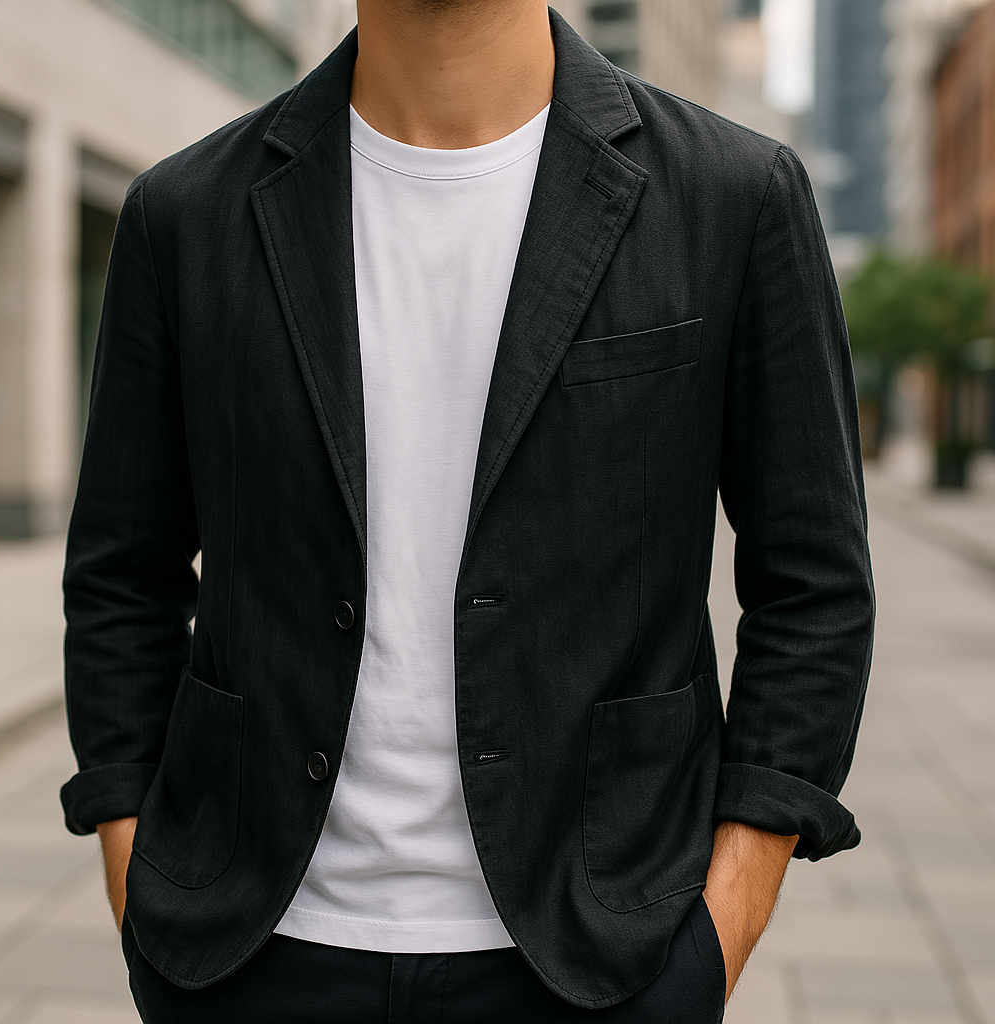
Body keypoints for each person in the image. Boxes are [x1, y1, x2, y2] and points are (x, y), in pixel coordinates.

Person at [60, 0, 875, 1020]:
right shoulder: (184, 213)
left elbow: (814, 582)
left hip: (603, 952)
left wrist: (723, 922)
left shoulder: (730, 197)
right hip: (250, 950)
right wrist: (132, 862)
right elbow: (121, 576)